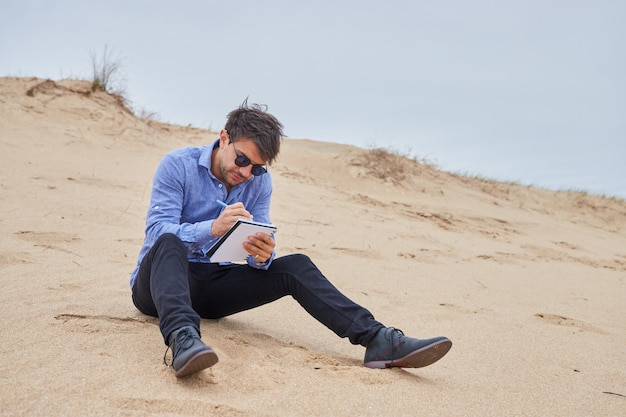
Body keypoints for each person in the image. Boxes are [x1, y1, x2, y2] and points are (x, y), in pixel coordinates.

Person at [130, 101, 452, 377]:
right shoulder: (178, 166)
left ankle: (379, 340)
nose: (246, 172)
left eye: (256, 168)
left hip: (213, 288)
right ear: (224, 137)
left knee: (295, 266)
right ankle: (184, 340)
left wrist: (262, 255)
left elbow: (261, 239)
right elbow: (157, 233)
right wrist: (211, 228)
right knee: (169, 241)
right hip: (159, 289)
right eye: (242, 159)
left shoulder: (259, 183)